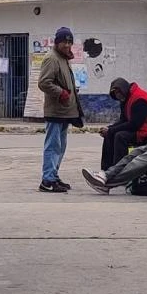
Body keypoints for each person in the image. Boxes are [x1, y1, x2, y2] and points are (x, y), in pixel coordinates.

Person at [37, 26, 84, 193]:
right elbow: (44, 82)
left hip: (65, 111)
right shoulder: (52, 58)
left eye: (69, 41)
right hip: (56, 111)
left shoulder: (63, 58)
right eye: (64, 41)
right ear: (57, 42)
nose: (67, 44)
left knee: (61, 146)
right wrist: (61, 93)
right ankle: (47, 180)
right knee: (53, 146)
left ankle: (53, 176)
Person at [100, 77, 147, 171]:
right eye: (115, 94)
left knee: (120, 136)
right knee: (109, 134)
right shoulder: (126, 99)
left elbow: (134, 124)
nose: (117, 96)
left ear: (123, 89)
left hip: (146, 133)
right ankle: (106, 170)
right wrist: (109, 129)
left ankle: (117, 171)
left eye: (118, 92)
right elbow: (123, 120)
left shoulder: (140, 99)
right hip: (137, 129)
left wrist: (111, 130)